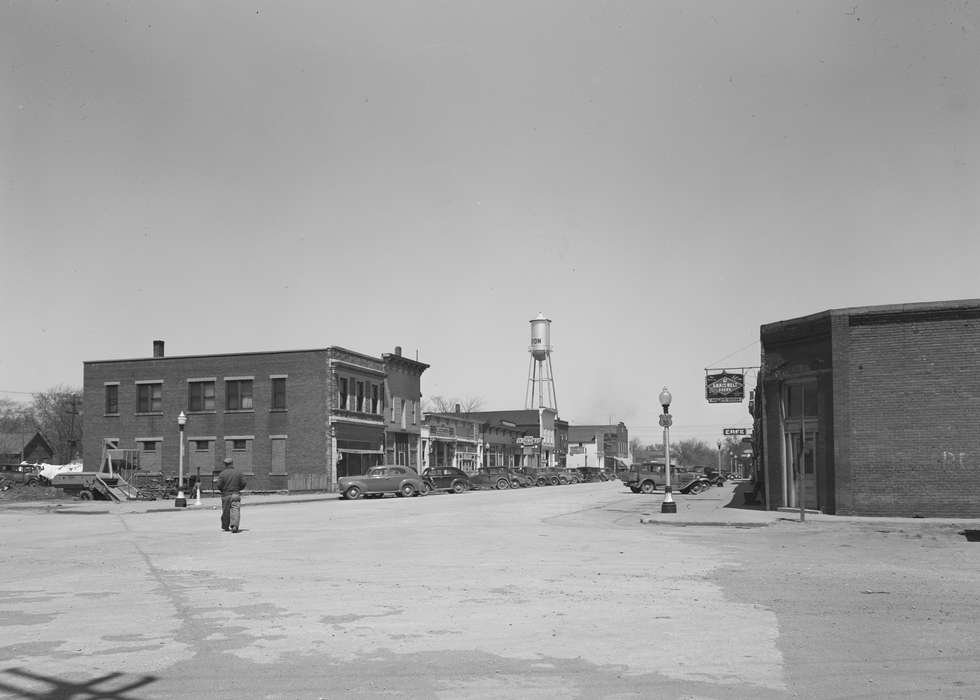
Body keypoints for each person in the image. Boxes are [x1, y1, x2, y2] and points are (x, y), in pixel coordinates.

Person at [215, 457, 247, 533]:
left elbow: (219, 485)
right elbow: (244, 483)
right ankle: (234, 525)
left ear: (225, 464)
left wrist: (222, 490)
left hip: (226, 495)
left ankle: (226, 526)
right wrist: (239, 489)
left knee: (226, 511)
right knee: (235, 510)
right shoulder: (238, 473)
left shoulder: (222, 474)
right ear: (232, 464)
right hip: (235, 494)